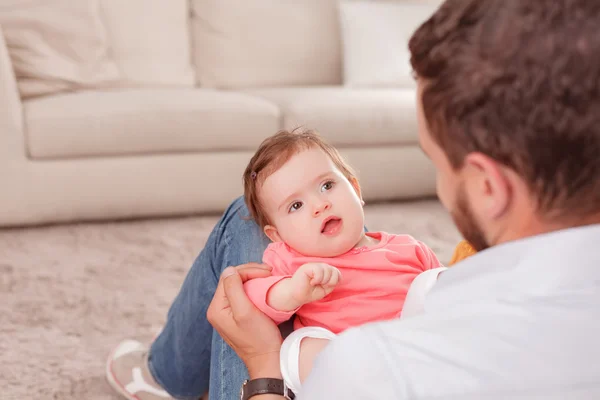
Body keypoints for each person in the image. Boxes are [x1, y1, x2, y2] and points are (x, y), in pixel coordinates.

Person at [206, 0, 600, 399]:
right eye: (297, 204)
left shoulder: (362, 367)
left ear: (488, 187)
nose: (320, 204)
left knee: (242, 220)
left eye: (438, 163)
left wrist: (262, 366)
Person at [239, 130, 444, 393]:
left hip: (411, 351)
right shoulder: (293, 260)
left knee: (434, 282)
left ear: (356, 189)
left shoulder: (409, 248)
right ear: (277, 236)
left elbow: (442, 301)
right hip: (348, 372)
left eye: (327, 186)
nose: (319, 205)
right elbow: (250, 298)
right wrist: (292, 290)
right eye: (296, 205)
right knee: (298, 347)